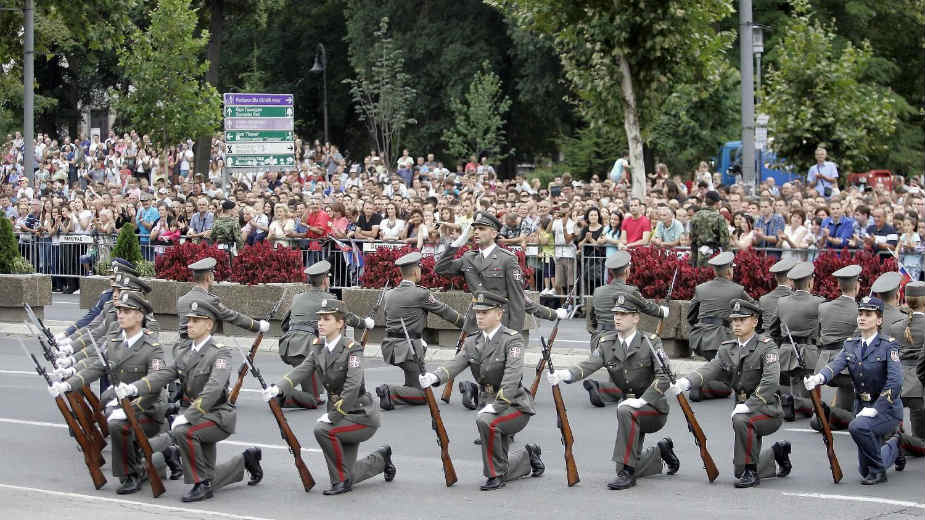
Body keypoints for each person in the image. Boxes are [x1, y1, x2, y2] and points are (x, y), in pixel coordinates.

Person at [115, 299, 264, 502]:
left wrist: (188, 416)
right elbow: (164, 374)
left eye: (195, 320)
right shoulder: (186, 352)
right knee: (209, 473)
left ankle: (201, 484)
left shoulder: (220, 352)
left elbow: (213, 389)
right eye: (189, 320)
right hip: (199, 416)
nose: (189, 324)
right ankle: (245, 460)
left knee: (183, 431)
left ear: (209, 324)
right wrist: (135, 387)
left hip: (217, 416)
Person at [49, 292, 182, 494]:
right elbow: (96, 367)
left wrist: (131, 407)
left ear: (139, 316)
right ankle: (161, 458)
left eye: (126, 311)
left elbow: (155, 385)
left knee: (117, 424)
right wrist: (68, 384)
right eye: (119, 310)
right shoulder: (114, 341)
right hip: (123, 405)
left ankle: (131, 475)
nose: (120, 315)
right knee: (115, 420)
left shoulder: (152, 347)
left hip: (149, 409)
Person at [547, 292, 679, 489]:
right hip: (628, 410)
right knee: (622, 461)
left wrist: (642, 401)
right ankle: (659, 453)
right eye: (616, 313)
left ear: (636, 318)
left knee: (625, 413)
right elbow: (588, 365)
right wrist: (563, 374)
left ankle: (628, 474)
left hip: (652, 408)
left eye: (623, 314)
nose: (617, 318)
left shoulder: (651, 342)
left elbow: (664, 377)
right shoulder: (607, 343)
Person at [264, 299, 396, 495]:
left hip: (360, 416)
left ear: (340, 323)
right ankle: (381, 459)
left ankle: (340, 482)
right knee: (350, 472)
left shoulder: (352, 348)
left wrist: (334, 415)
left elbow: (352, 386)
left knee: (323, 430)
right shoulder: (318, 346)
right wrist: (279, 388)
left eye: (327, 319)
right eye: (319, 319)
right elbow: (302, 370)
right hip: (342, 415)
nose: (320, 323)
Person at [418, 291, 545, 491]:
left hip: (514, 405)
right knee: (500, 458)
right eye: (477, 312)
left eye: (485, 312)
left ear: (499, 314)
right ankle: (528, 456)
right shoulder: (473, 341)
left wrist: (497, 405)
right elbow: (456, 363)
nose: (479, 316)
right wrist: (434, 377)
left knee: (486, 421)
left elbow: (512, 377)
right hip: (488, 402)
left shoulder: (512, 340)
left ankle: (494, 475)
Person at [672, 299, 792, 488]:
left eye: (742, 319)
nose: (736, 324)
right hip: (742, 410)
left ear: (755, 321)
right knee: (738, 470)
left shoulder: (766, 346)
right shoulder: (727, 348)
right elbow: (711, 369)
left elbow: (770, 382)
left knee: (742, 420)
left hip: (767, 409)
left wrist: (749, 405)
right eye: (734, 320)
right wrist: (687, 381)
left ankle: (751, 472)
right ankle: (777, 452)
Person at [804, 296, 904, 485]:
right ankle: (896, 445)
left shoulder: (889, 345)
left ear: (879, 320)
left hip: (886, 409)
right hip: (861, 406)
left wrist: (876, 408)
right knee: (863, 470)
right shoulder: (851, 344)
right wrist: (818, 378)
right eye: (860, 313)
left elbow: (895, 382)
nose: (862, 318)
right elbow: (835, 365)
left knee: (858, 427)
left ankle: (879, 472)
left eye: (868, 314)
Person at [435, 211, 566, 339]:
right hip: (475, 324)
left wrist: (513, 336)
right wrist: (458, 242)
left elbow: (517, 300)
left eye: (481, 228)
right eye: (475, 228)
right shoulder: (469, 258)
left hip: (499, 323)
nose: (476, 232)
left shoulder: (507, 259)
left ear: (494, 233)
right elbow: (441, 268)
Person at [278, 260, 374, 409]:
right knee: (313, 399)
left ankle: (284, 392)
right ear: (325, 280)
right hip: (306, 348)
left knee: (313, 386)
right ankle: (281, 395)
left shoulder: (298, 297)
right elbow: (348, 318)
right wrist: (365, 323)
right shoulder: (329, 300)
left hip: (288, 346)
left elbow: (285, 324)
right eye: (328, 278)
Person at [376, 252, 463, 410]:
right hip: (409, 349)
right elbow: (444, 311)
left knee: (412, 384)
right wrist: (465, 324)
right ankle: (390, 391)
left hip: (389, 347)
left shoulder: (389, 294)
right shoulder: (420, 294)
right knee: (423, 395)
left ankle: (395, 394)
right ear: (416, 271)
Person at [583, 252, 668, 407]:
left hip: (598, 339)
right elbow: (647, 307)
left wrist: (597, 334)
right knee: (635, 389)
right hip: (619, 341)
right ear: (627, 270)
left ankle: (605, 389)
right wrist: (662, 311)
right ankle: (602, 388)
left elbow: (591, 319)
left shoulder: (598, 291)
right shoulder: (630, 291)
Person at [686, 252, 755, 401]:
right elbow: (755, 308)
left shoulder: (701, 288)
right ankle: (702, 387)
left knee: (718, 368)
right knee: (726, 386)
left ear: (714, 271)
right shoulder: (737, 290)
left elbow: (690, 316)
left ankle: (701, 380)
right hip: (722, 339)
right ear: (729, 270)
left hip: (700, 338)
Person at [769, 261, 824, 421]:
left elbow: (773, 330)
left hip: (787, 350)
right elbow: (824, 329)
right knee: (814, 400)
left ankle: (791, 402)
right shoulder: (819, 302)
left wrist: (782, 345)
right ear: (810, 281)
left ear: (792, 283)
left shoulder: (782, 302)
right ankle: (796, 403)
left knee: (796, 380)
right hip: (810, 352)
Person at [811, 264, 862, 432]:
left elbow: (818, 336)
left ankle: (829, 415)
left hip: (823, 365)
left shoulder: (823, 307)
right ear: (857, 285)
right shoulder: (860, 311)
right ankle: (846, 416)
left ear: (839, 285)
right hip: (847, 369)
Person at [885, 281, 924, 459]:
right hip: (919, 387)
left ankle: (897, 439)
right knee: (921, 441)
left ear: (906, 300)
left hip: (898, 383)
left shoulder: (895, 327)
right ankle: (902, 441)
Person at [758, 258, 795, 346]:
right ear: (791, 277)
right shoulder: (796, 299)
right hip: (787, 345)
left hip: (766, 344)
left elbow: (758, 326)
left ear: (775, 277)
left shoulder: (763, 299)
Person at [689, 191, 730, 266]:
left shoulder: (695, 216)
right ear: (717, 202)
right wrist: (729, 259)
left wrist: (694, 259)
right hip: (716, 256)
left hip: (700, 254)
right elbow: (725, 240)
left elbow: (692, 238)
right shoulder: (719, 217)